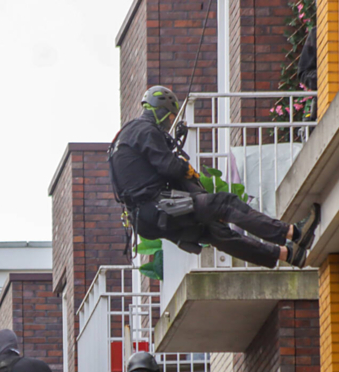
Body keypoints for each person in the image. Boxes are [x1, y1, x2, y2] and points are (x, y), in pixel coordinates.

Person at [109, 85, 320, 269]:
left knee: (216, 232)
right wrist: (185, 168)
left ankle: (289, 255)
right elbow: (169, 167)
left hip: (145, 220)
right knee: (224, 203)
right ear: (162, 112)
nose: (168, 124)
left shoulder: (122, 138)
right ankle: (295, 233)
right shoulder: (145, 130)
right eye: (170, 118)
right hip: (160, 207)